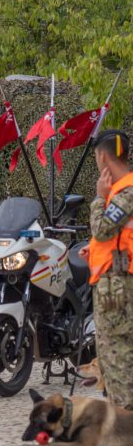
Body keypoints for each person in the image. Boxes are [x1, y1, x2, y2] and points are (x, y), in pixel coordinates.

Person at [82, 129, 133, 409]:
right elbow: (116, 237)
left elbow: (102, 229)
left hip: (117, 285)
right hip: (117, 277)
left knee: (116, 355)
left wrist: (99, 198)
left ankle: (124, 419)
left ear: (103, 156)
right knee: (117, 352)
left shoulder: (125, 192)